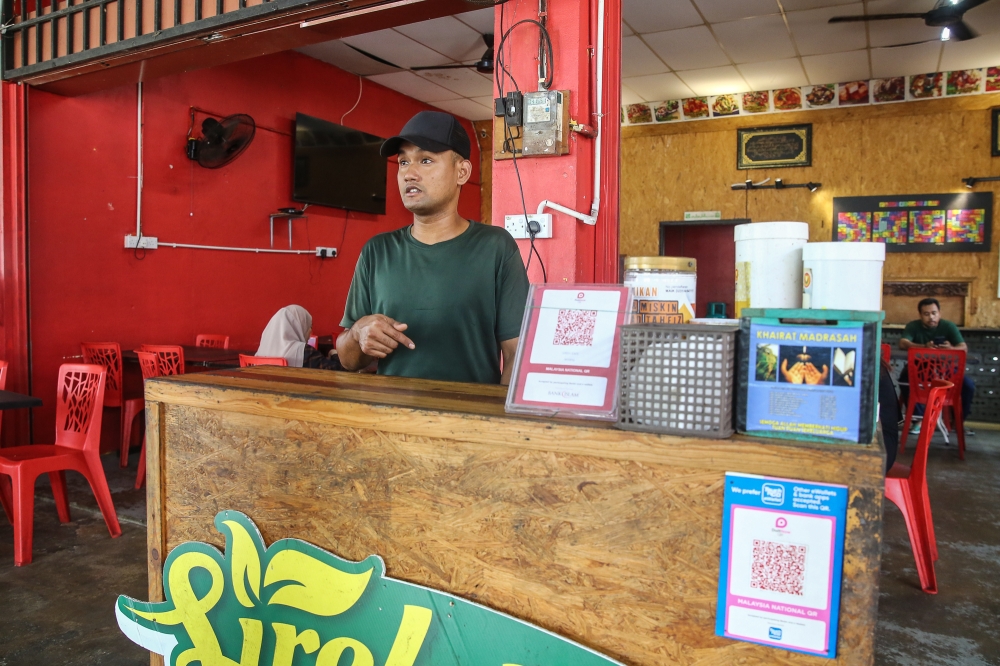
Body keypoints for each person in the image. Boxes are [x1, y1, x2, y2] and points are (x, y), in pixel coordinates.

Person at [336, 111, 529, 385]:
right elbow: (348, 360)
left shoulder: (496, 247)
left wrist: (497, 412)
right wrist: (358, 333)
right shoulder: (377, 251)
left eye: (425, 160)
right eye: (403, 162)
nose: (409, 174)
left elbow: (516, 355)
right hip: (391, 410)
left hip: (469, 411)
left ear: (462, 172)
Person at [898, 297, 974, 421]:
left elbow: (963, 347)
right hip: (919, 368)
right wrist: (924, 346)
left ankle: (957, 421)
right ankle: (920, 419)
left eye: (934, 313)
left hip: (946, 369)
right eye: (926, 314)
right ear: (920, 315)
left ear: (939, 313)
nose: (931, 317)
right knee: (905, 381)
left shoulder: (948, 326)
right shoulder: (913, 326)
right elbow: (903, 343)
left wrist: (950, 348)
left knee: (968, 386)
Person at [257, 305, 342, 370]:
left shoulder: (261, 352)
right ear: (299, 327)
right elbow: (338, 370)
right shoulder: (303, 351)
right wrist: (334, 354)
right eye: (309, 327)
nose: (311, 332)